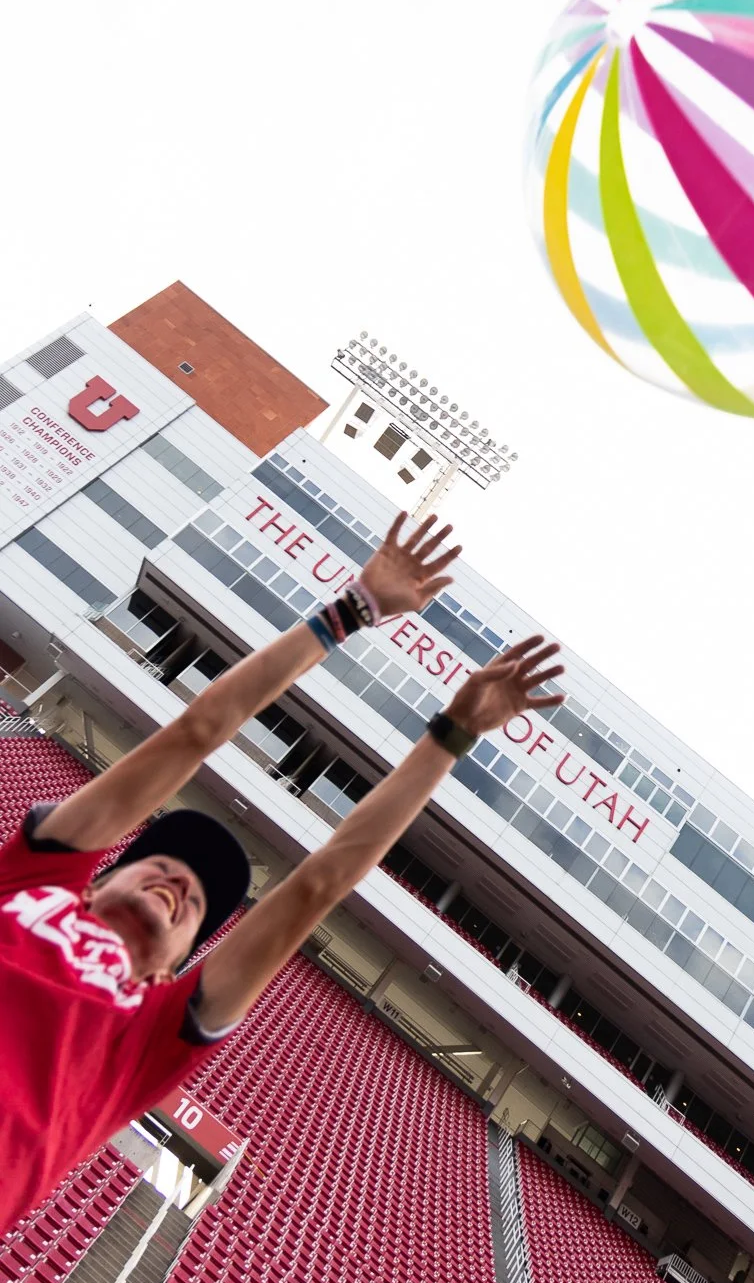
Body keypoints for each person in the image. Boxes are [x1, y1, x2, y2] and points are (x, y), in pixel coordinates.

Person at [0, 512, 563, 1235]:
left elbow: (319, 882)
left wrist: (450, 735)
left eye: (195, 905)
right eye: (159, 866)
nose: (176, 885)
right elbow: (196, 731)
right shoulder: (29, 886)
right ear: (98, 877)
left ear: (179, 963)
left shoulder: (145, 1038)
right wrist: (350, 610)